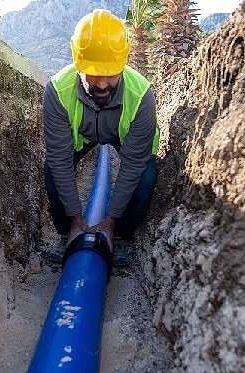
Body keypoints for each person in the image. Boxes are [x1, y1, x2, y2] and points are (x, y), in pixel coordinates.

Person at [43, 9, 159, 267]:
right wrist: (76, 218)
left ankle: (118, 237)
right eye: (94, 73)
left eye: (111, 72)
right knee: (52, 168)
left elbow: (132, 166)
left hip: (121, 135)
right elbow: (60, 160)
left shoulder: (141, 95)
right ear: (78, 61)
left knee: (146, 174)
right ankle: (66, 234)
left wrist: (109, 220)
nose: (103, 84)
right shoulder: (57, 91)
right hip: (84, 136)